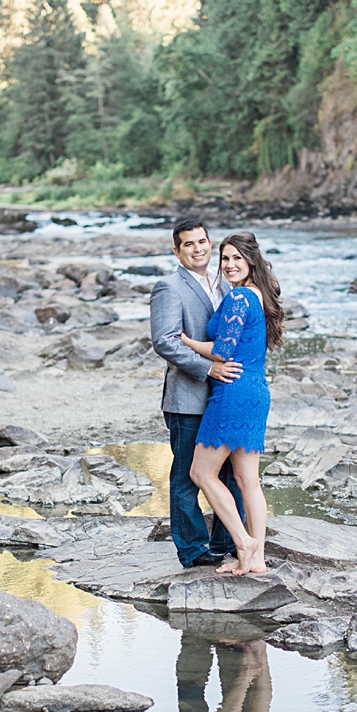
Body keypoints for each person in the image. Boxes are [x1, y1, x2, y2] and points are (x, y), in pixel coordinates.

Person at [179, 232, 283, 576]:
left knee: (200, 472)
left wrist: (187, 340)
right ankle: (257, 559)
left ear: (251, 261)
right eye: (225, 259)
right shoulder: (259, 295)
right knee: (247, 479)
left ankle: (244, 542)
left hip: (234, 391)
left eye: (237, 258)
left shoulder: (239, 297)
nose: (230, 265)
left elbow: (223, 351)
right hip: (256, 390)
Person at [148, 219, 245, 569]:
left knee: (230, 474)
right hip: (187, 399)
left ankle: (224, 541)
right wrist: (209, 369)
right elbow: (164, 340)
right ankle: (192, 549)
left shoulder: (226, 282)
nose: (198, 248)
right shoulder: (168, 287)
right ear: (177, 251)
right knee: (188, 476)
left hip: (226, 397)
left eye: (202, 241)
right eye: (189, 244)